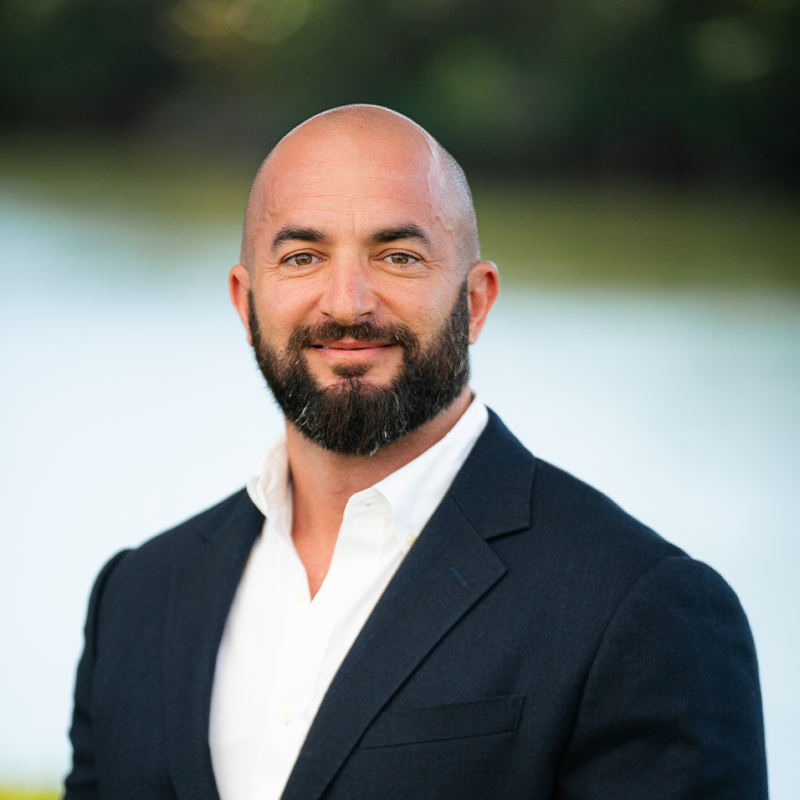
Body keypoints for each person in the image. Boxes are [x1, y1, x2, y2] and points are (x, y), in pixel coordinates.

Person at [64, 105, 768, 800]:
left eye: (398, 256)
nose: (346, 303)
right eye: (302, 256)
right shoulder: (137, 596)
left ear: (477, 301)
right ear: (244, 303)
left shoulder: (643, 609)